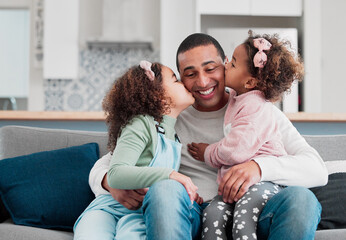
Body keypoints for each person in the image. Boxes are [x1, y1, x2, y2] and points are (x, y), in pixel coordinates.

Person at [88, 33, 328, 240]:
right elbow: (108, 164)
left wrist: (259, 167)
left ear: (226, 64)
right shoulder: (168, 115)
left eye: (210, 69)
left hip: (251, 212)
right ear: (180, 79)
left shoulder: (258, 111)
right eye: (190, 74)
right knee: (165, 190)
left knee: (301, 199)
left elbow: (317, 168)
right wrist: (109, 183)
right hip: (187, 212)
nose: (203, 81)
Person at [187, 32, 304, 240]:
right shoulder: (238, 96)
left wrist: (208, 152)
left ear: (250, 82)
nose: (226, 65)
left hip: (261, 185)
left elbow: (235, 149)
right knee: (212, 214)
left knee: (243, 221)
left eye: (231, 64)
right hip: (233, 189)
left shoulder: (256, 106)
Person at [73, 60, 203, 240]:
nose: (183, 83)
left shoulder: (173, 135)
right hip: (107, 210)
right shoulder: (141, 123)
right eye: (175, 80)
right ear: (159, 96)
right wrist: (170, 175)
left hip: (139, 215)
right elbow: (116, 173)